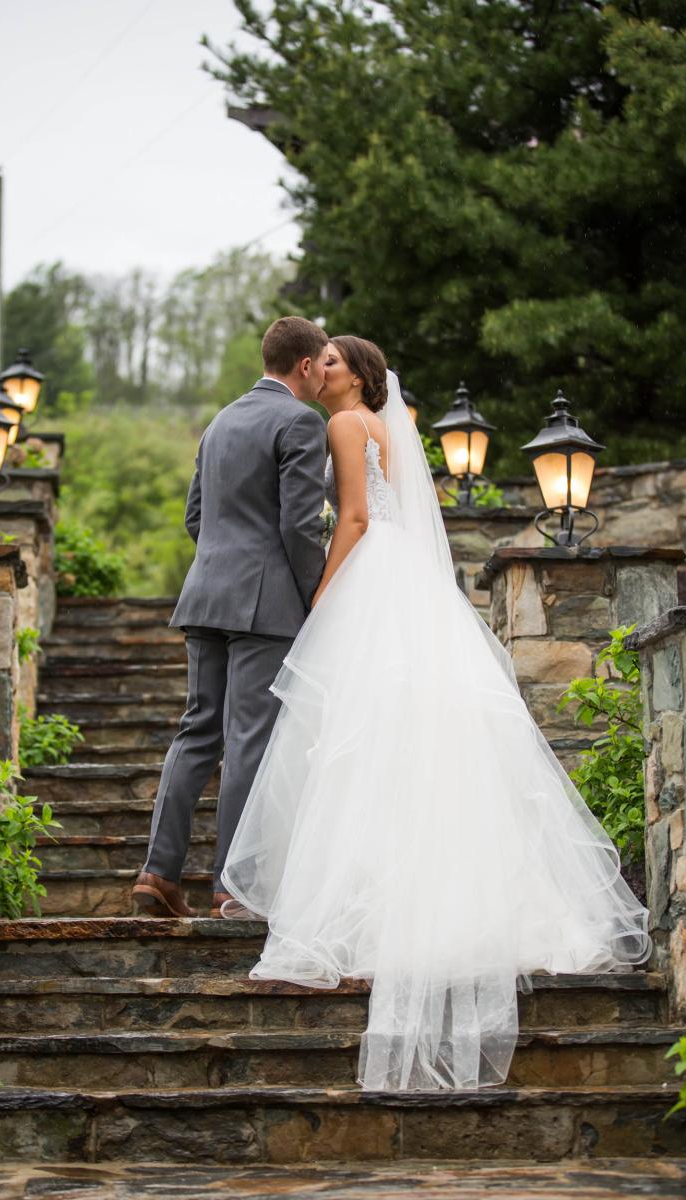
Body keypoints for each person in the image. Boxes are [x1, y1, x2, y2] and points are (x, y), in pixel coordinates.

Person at [221, 335, 651, 1091]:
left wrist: (321, 596)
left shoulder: (344, 424)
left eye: (331, 361)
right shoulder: (386, 428)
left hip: (370, 578)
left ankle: (367, 905)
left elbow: (355, 519)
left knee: (363, 738)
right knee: (412, 739)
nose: (319, 368)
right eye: (318, 359)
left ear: (359, 377)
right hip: (409, 583)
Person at [132, 316, 329, 918]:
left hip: (206, 594)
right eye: (322, 365)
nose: (325, 376)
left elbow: (195, 516)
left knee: (197, 730)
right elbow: (300, 526)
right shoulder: (301, 422)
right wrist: (317, 596)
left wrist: (224, 560)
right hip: (265, 604)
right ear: (304, 365)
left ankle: (157, 874)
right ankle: (231, 886)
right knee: (248, 738)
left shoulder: (220, 420)